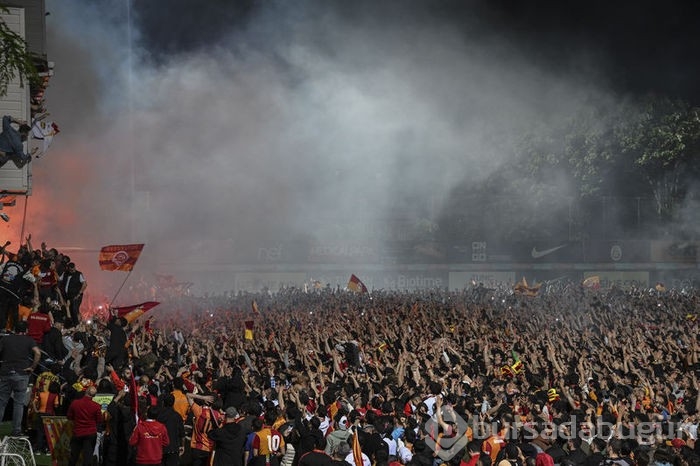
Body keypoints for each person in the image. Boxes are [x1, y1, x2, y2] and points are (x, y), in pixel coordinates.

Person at [0, 320, 41, 435]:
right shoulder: (29, 340)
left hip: (6, 372)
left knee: (2, 402)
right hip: (22, 373)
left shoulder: (5, 339)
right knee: (19, 404)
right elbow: (37, 353)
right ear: (26, 330)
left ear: (14, 330)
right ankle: (16, 430)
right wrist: (32, 367)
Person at [66, 382, 104, 466]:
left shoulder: (75, 403)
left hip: (78, 432)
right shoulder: (96, 406)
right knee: (88, 457)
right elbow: (99, 420)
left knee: (74, 456)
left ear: (85, 392)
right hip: (90, 433)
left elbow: (69, 416)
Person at [156, 393, 186, 466]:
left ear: (163, 402)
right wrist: (182, 445)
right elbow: (182, 434)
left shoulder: (158, 415)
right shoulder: (177, 416)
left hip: (160, 448)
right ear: (173, 402)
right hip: (173, 448)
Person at [60, 262, 87, 328]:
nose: (72, 271)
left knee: (74, 308)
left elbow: (84, 284)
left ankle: (76, 324)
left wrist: (79, 293)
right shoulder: (65, 273)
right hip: (67, 296)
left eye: (73, 269)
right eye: (71, 270)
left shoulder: (79, 274)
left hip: (76, 295)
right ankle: (69, 323)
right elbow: (59, 279)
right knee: (67, 308)